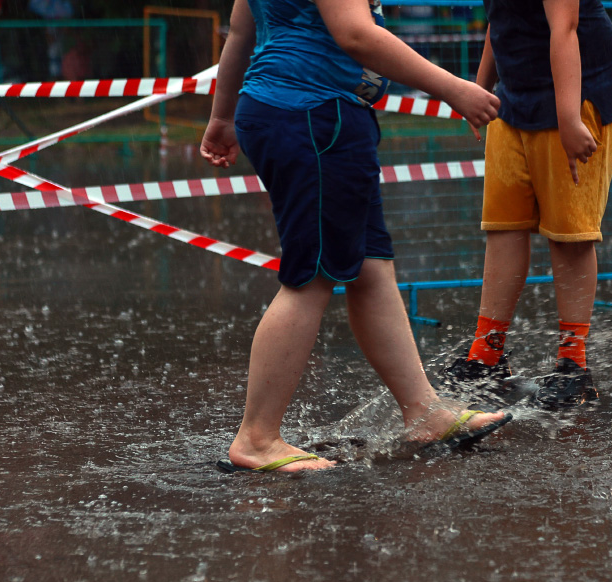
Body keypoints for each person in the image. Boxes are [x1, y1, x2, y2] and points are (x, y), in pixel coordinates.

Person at [201, 0, 511, 472]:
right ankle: (257, 437)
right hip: (315, 115)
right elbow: (356, 35)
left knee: (369, 266)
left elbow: (242, 30)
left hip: (292, 110)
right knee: (313, 275)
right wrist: (454, 89)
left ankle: (425, 413)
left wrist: (223, 116)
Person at [440, 0, 612, 410]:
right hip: (514, 96)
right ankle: (486, 358)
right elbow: (499, 19)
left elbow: (565, 27)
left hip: (577, 91)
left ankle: (573, 366)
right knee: (504, 226)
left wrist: (569, 120)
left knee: (569, 235)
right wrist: (480, 88)